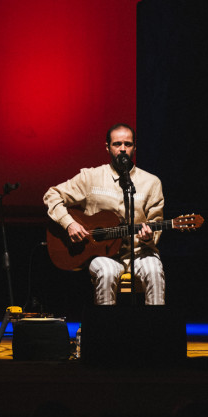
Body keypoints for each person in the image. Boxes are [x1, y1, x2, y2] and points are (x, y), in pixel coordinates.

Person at [44, 123, 165, 305]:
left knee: (154, 271)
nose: (123, 149)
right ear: (107, 147)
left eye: (128, 144)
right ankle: (105, 330)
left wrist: (148, 237)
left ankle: (155, 330)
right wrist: (69, 223)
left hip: (140, 252)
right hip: (103, 255)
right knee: (106, 272)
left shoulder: (151, 182)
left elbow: (156, 222)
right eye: (117, 144)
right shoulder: (90, 177)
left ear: (134, 147)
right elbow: (52, 195)